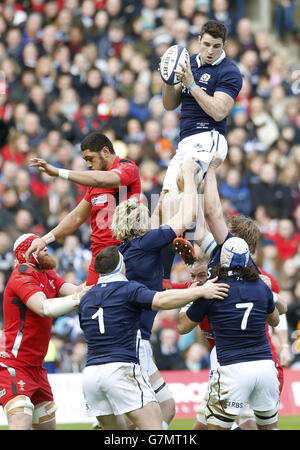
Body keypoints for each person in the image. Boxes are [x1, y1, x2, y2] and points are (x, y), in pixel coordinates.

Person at [78, 245, 229, 430]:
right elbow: (161, 300)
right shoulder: (128, 289)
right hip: (121, 368)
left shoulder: (86, 298)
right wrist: (200, 291)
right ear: (120, 266)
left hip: (91, 375)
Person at [110, 157, 199, 429]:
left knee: (166, 409)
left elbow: (157, 287)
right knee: (151, 417)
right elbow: (186, 217)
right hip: (134, 341)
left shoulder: (127, 249)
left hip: (136, 340)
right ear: (140, 224)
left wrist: (188, 289)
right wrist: (188, 175)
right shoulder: (145, 243)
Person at [178, 237, 280, 430]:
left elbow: (183, 327)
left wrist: (192, 298)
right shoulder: (260, 286)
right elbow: (275, 320)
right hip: (264, 366)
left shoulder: (214, 288)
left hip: (232, 367)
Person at [25, 131, 141, 285]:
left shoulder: (127, 167)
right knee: (89, 306)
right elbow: (77, 217)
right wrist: (44, 240)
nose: (88, 165)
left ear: (105, 152)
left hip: (125, 253)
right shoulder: (94, 181)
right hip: (99, 257)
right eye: (85, 160)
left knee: (120, 306)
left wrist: (59, 172)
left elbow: (107, 180)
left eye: (90, 159)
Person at [0, 233, 90, 430]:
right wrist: (79, 299)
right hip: (14, 364)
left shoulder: (46, 274)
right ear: (26, 253)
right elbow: (44, 308)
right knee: (21, 421)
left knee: (47, 426)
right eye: (38, 246)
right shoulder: (22, 274)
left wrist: (101, 286)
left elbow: (75, 290)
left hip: (36, 368)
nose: (45, 248)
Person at [161, 20, 242, 196]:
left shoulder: (229, 71)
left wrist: (191, 85)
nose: (210, 51)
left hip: (208, 136)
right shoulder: (187, 62)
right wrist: (167, 81)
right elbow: (169, 105)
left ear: (224, 45)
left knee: (185, 187)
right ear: (199, 40)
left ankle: (191, 223)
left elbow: (219, 112)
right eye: (206, 44)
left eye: (216, 46)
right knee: (165, 200)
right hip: (184, 140)